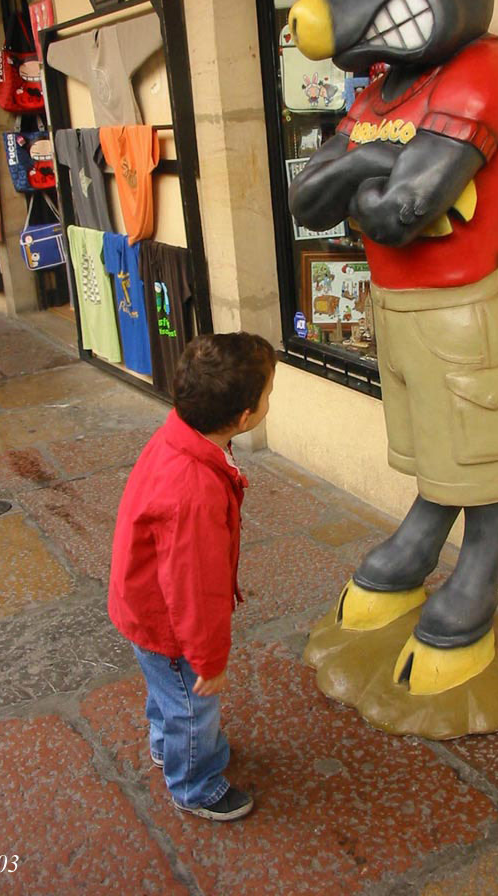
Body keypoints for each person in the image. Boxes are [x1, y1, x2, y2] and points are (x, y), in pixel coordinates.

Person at [108, 331, 276, 821]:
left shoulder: (180, 435)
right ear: (244, 417)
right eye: (268, 394)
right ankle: (194, 784)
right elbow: (195, 589)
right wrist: (209, 659)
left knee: (166, 693)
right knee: (192, 705)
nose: (269, 401)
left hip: (143, 605)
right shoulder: (194, 491)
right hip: (170, 625)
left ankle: (166, 745)